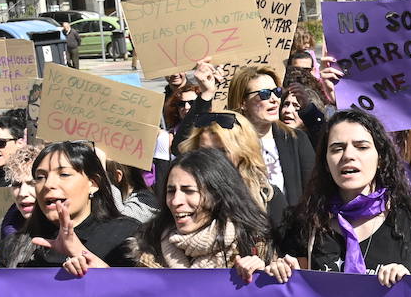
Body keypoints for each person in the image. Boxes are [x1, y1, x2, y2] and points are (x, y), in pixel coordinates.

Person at [277, 110, 411, 285]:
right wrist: (279, 274)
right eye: (337, 148)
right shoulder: (306, 221)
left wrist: (409, 282)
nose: (348, 155)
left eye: (362, 147)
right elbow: (299, 295)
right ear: (325, 163)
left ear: (381, 159)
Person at [0, 141, 141, 277]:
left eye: (63, 174)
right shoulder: (15, 244)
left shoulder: (127, 235)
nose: (48, 184)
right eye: (40, 177)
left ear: (93, 184)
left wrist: (91, 264)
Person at [130, 148, 274, 276]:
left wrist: (263, 277)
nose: (175, 201)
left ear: (218, 195)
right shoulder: (148, 247)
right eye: (171, 191)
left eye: (189, 191)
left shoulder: (253, 245)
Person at [224, 64, 315, 206]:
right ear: (243, 102)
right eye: (265, 94)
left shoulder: (295, 139)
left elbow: (313, 192)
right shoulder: (228, 143)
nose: (274, 99)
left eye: (277, 92)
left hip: (290, 225)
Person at [179, 111, 287, 225]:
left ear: (242, 153)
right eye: (205, 152)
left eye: (222, 151)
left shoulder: (267, 197)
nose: (212, 159)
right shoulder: (182, 195)